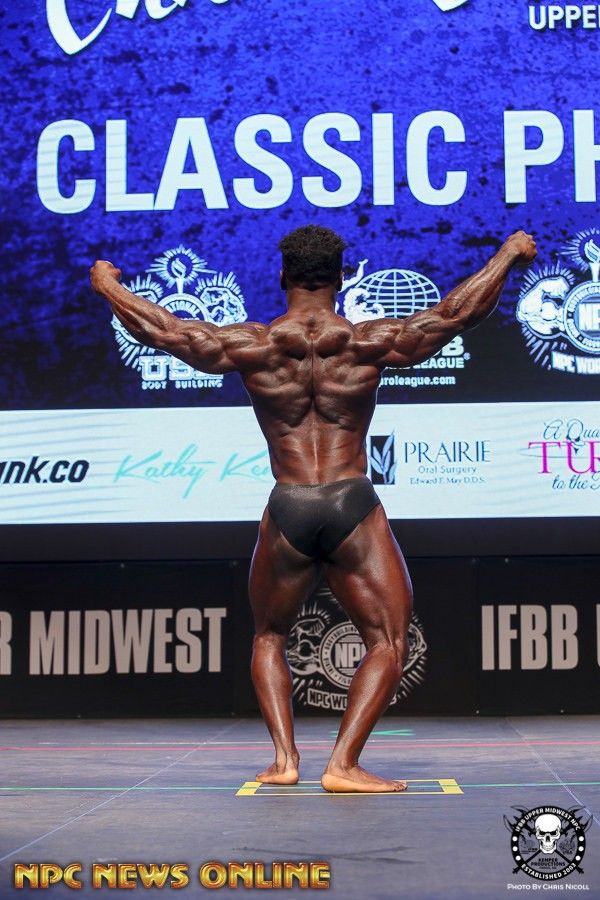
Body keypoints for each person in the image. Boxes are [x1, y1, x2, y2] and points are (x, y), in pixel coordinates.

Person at [90, 225, 536, 793]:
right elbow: (455, 314)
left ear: (282, 276)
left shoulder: (253, 345)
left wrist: (108, 286)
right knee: (387, 641)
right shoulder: (366, 342)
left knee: (269, 635)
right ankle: (343, 764)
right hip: (351, 500)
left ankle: (284, 761)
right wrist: (507, 255)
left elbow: (167, 332)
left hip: (289, 502)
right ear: (342, 278)